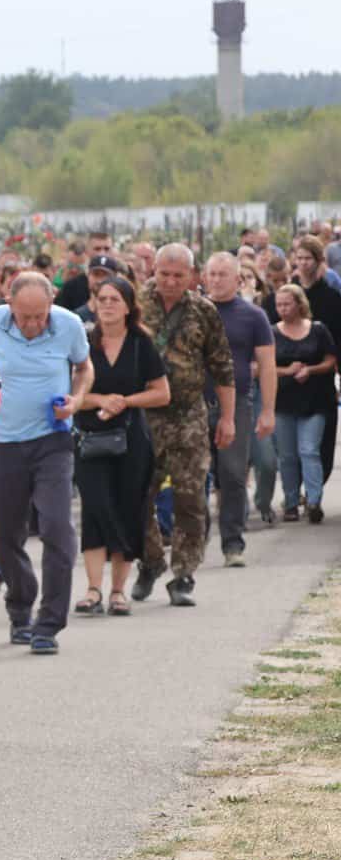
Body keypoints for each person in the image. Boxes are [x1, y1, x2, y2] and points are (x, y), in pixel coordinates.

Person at [0, 273, 93, 654]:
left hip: (51, 441)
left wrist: (76, 400)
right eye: (24, 317)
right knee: (7, 535)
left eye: (39, 316)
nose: (32, 325)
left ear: (51, 304)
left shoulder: (69, 325)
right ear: (9, 305)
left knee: (58, 527)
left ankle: (49, 623)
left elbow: (84, 368)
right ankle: (20, 606)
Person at [132, 246, 235, 608]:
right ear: (154, 270)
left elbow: (222, 366)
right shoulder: (136, 303)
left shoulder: (203, 311)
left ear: (193, 276)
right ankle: (151, 560)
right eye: (164, 274)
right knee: (139, 494)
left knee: (190, 498)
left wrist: (227, 417)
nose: (171, 282)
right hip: (145, 414)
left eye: (179, 275)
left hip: (189, 415)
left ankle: (184, 573)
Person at [72, 276, 171, 617]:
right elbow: (70, 394)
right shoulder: (83, 342)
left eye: (116, 299)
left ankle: (117, 591)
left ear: (129, 306)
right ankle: (92, 589)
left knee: (128, 509)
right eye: (103, 298)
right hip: (91, 440)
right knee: (95, 509)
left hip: (131, 440)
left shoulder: (141, 342)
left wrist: (125, 401)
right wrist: (99, 398)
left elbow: (162, 392)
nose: (108, 304)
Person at [202, 251, 277, 560]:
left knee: (233, 473)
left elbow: (267, 364)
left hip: (238, 404)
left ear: (238, 279)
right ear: (204, 277)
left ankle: (233, 541)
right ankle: (196, 540)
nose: (217, 280)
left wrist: (268, 410)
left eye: (223, 274)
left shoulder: (253, 316)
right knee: (195, 476)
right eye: (212, 274)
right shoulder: (194, 312)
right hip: (194, 404)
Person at [270, 283, 339, 524]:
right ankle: (290, 503)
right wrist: (287, 370)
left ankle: (313, 500)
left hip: (315, 400)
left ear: (300, 304)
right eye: (279, 304)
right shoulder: (272, 332)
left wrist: (310, 369)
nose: (283, 309)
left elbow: (331, 360)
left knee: (309, 450)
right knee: (287, 456)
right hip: (283, 402)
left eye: (287, 304)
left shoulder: (318, 330)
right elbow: (262, 368)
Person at [56, 231, 113, 314]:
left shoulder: (122, 285)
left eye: (106, 249)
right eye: (97, 249)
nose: (102, 253)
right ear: (87, 251)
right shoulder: (71, 287)